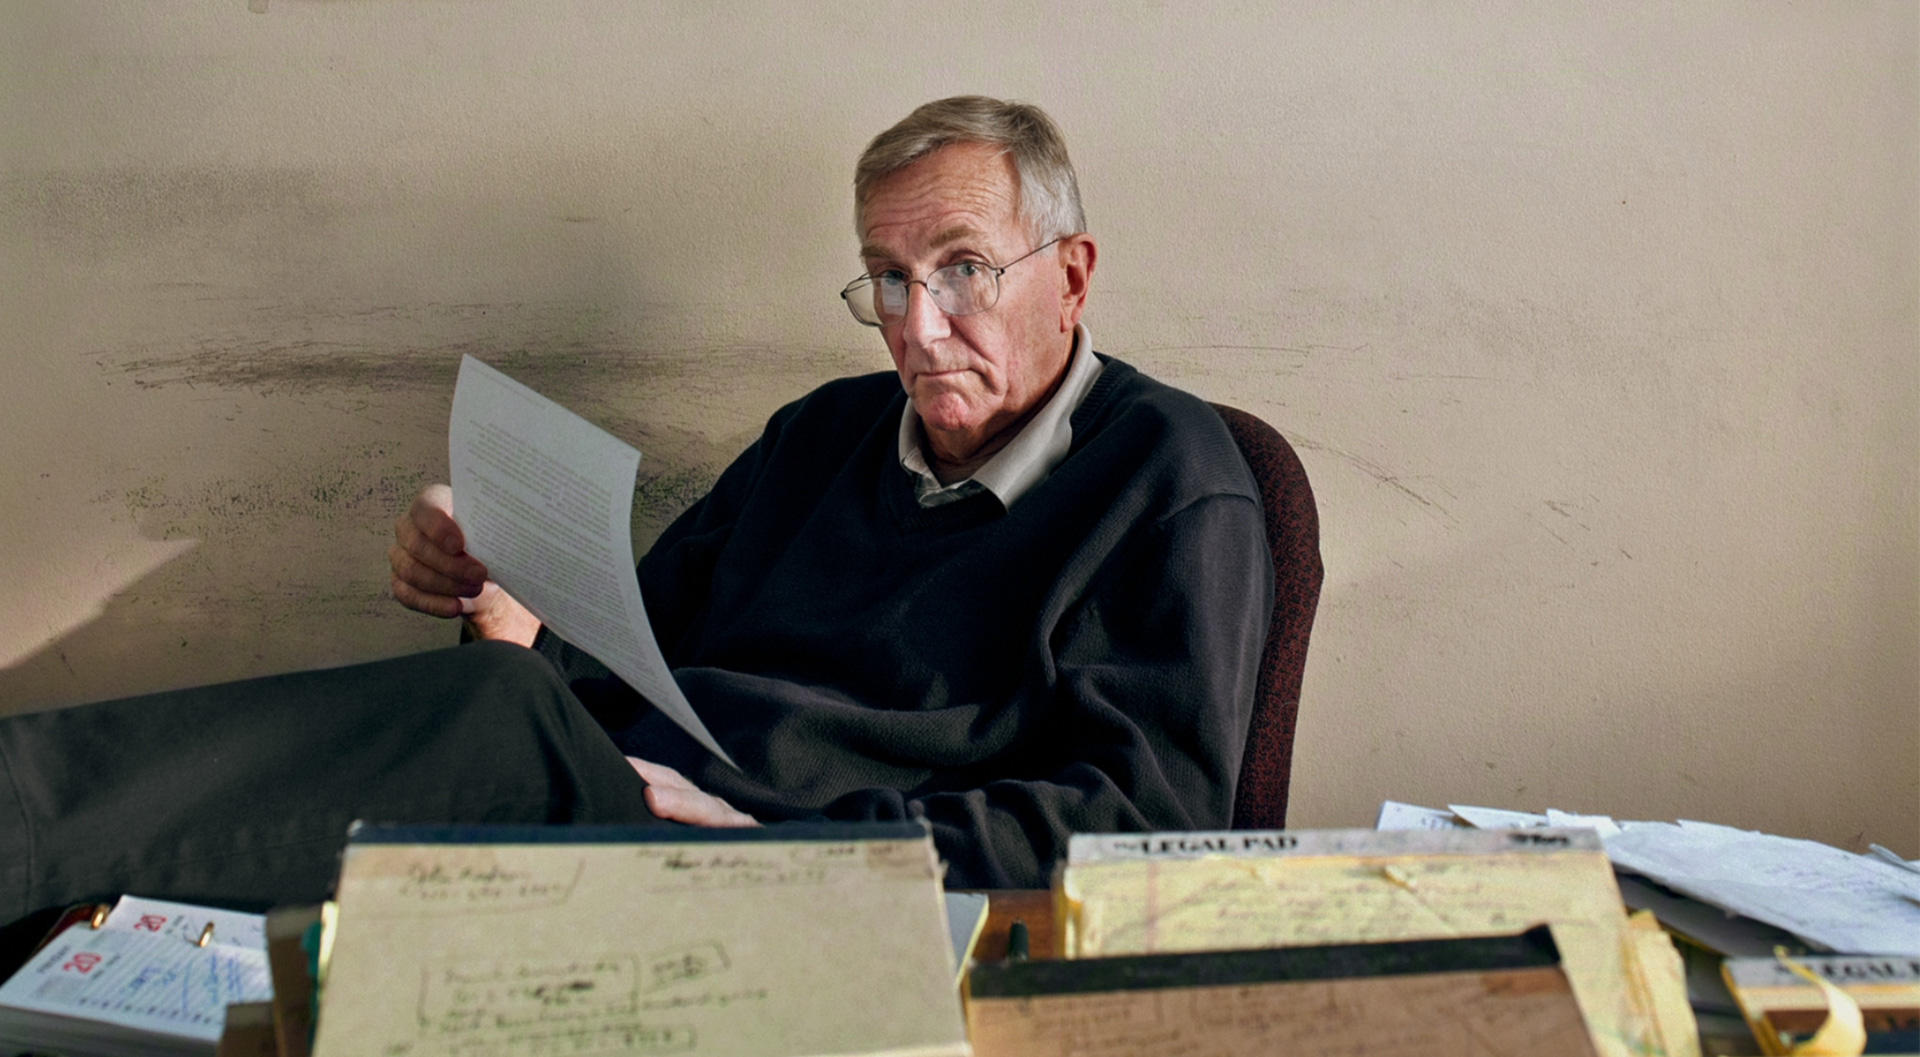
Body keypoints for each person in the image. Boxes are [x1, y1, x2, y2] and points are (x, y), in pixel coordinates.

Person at [0, 97, 1270, 940]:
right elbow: (611, 664)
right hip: (606, 808)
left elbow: (1140, 826)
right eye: (887, 279)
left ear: (1072, 275)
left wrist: (792, 845)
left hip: (773, 888)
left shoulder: (1168, 476)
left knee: (483, 733)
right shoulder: (821, 436)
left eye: (963, 270)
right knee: (187, 890)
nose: (917, 325)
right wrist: (505, 603)